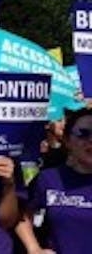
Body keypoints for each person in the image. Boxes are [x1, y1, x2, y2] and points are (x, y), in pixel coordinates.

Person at [16, 108, 92, 254]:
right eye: (83, 134)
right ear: (67, 141)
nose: (91, 141)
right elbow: (21, 213)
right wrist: (34, 248)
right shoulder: (48, 179)